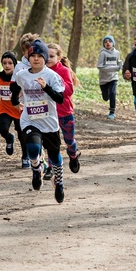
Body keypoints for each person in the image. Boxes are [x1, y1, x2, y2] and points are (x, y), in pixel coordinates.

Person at [10, 39, 67, 203]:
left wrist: (45, 88)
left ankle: (59, 181)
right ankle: (37, 168)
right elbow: (15, 88)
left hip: (49, 122)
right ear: (28, 57)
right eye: (32, 55)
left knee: (55, 156)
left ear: (44, 58)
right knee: (33, 148)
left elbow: (60, 98)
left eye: (39, 56)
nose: (36, 59)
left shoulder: (51, 76)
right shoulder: (22, 75)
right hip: (30, 120)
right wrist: (16, 101)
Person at [47, 43, 81, 174]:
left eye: (52, 56)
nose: (48, 59)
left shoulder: (64, 71)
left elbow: (69, 90)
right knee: (52, 143)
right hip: (49, 114)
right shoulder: (42, 71)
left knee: (69, 140)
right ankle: (51, 167)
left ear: (59, 57)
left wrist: (54, 84)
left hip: (65, 112)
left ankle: (73, 155)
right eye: (46, 56)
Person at [0, 51, 26, 167]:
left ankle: (25, 156)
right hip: (5, 108)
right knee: (3, 129)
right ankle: (9, 138)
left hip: (18, 109)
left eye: (10, 63)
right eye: (4, 63)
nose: (7, 65)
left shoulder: (19, 78)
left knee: (22, 135)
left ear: (15, 65)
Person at [96, 35, 121, 119]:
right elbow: (99, 66)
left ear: (113, 43)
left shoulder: (117, 53)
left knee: (113, 93)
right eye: (105, 42)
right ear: (104, 44)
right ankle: (107, 96)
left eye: (109, 41)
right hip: (104, 79)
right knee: (106, 97)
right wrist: (114, 68)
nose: (108, 43)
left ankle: (112, 112)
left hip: (113, 77)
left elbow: (118, 62)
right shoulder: (103, 53)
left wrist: (121, 65)